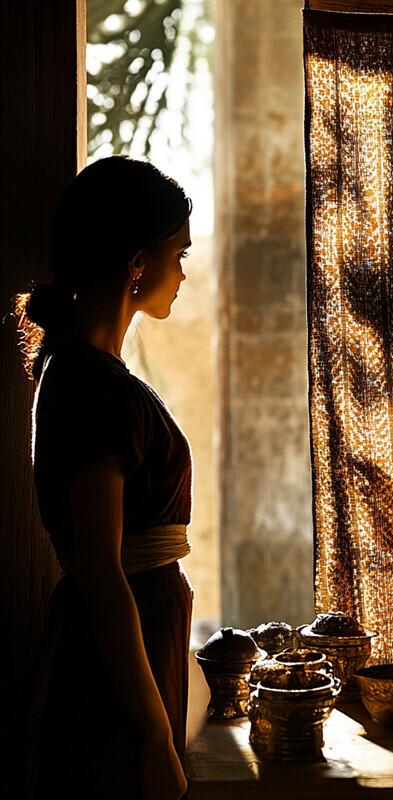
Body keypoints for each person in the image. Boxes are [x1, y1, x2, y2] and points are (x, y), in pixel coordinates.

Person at [15, 156, 194, 800]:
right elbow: (101, 570)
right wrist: (152, 734)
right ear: (136, 262)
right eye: (178, 254)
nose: (184, 273)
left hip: (135, 654)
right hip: (111, 673)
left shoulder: (88, 376)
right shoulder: (90, 386)